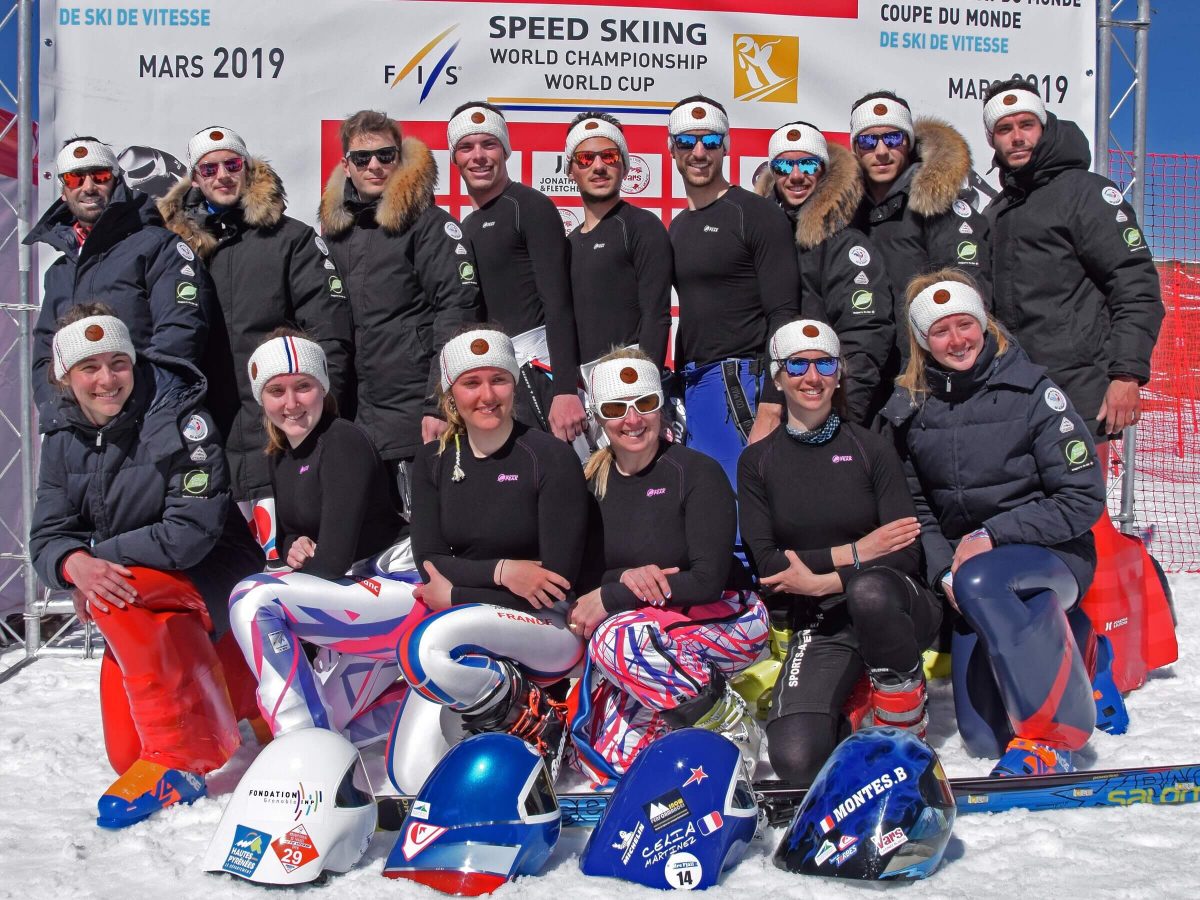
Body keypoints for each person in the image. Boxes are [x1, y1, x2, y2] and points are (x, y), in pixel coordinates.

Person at [29, 307, 262, 828]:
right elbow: (47, 535)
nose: (107, 379)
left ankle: (182, 758)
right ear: (65, 376)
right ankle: (242, 694)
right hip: (142, 573)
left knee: (112, 594)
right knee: (124, 755)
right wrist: (71, 563)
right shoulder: (61, 438)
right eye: (89, 367)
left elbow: (190, 532)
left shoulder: (182, 416)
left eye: (118, 362)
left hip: (215, 570)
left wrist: (95, 563)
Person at [880, 272, 1108, 776]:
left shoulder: (1033, 392)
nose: (957, 340)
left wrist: (992, 535)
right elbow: (917, 510)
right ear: (922, 341)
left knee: (984, 578)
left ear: (984, 323)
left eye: (965, 324)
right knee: (984, 739)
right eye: (940, 331)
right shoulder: (910, 409)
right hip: (968, 575)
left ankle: (1053, 740)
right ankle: (1081, 642)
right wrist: (943, 571)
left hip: (1052, 554)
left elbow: (1082, 496)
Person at [737, 319, 938, 785]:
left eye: (825, 364)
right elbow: (769, 564)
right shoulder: (757, 462)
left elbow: (906, 552)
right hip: (824, 620)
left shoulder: (871, 448)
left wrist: (826, 578)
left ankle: (905, 716)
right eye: (798, 365)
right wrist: (858, 549)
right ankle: (858, 695)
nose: (812, 377)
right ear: (777, 377)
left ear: (839, 373)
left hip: (895, 606)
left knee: (870, 591)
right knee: (796, 759)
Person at [396, 328, 588, 780]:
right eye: (471, 383)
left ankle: (537, 717)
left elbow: (555, 583)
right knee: (412, 773)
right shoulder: (433, 460)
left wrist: (458, 593)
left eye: (499, 380)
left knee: (425, 650)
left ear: (514, 384)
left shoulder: (549, 457)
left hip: (548, 627)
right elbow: (430, 562)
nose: (487, 396)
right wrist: (505, 572)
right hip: (470, 617)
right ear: (450, 393)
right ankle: (504, 715)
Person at [567, 352, 769, 783]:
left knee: (615, 639)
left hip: (729, 615)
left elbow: (708, 580)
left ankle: (728, 725)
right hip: (648, 633)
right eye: (616, 408)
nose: (632, 420)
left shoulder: (696, 472)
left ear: (661, 406)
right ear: (598, 416)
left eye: (645, 403)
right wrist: (625, 578)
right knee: (607, 766)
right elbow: (587, 580)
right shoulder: (591, 485)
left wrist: (619, 592)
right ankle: (681, 723)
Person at [226, 331, 420, 740]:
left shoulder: (343, 440)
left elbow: (331, 561)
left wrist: (305, 559)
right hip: (363, 594)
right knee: (330, 727)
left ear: (323, 388)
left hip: (403, 588)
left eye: (303, 386)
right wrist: (295, 547)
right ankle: (320, 747)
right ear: (261, 397)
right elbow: (290, 538)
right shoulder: (280, 455)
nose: (291, 403)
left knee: (252, 598)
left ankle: (297, 747)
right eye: (276, 391)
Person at [157, 125, 353, 512]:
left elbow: (329, 336)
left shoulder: (291, 239)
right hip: (204, 443)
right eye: (209, 169)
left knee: (287, 545)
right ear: (195, 179)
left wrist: (318, 417)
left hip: (279, 436)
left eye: (232, 165)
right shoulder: (171, 249)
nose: (222, 176)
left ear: (247, 168)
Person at [982, 79, 1164, 441]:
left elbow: (1135, 285)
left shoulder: (1086, 193)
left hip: (1081, 393)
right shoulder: (996, 211)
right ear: (992, 140)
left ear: (1044, 127)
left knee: (1082, 482)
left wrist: (1126, 375)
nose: (1017, 137)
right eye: (1004, 129)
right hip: (1013, 392)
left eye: (1026, 125)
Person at [319, 109, 480, 516]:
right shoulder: (335, 234)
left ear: (400, 158)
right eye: (362, 158)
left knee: (423, 536)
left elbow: (457, 313)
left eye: (385, 155)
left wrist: (438, 404)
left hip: (415, 416)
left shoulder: (430, 226)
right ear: (346, 166)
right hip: (354, 419)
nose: (374, 166)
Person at [666, 95, 802, 487]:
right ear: (671, 148)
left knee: (740, 504)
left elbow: (784, 313)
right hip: (693, 386)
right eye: (687, 141)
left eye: (710, 141)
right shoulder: (678, 227)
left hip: (740, 382)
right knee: (708, 506)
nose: (699, 152)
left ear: (726, 146)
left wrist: (772, 404)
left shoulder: (756, 214)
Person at [27, 137, 216, 413]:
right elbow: (47, 354)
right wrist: (60, 412)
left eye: (100, 176)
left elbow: (180, 333)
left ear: (117, 181)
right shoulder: (59, 272)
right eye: (75, 178)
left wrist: (130, 406)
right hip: (79, 426)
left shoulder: (159, 247)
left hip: (145, 419)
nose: (88, 187)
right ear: (63, 191)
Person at [449, 102, 587, 442]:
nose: (478, 156)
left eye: (489, 144)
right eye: (466, 147)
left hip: (542, 372)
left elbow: (559, 303)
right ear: (455, 158)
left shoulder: (530, 206)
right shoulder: (467, 225)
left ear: (505, 150)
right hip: (499, 377)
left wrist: (565, 389)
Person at [754, 121, 896, 423]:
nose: (796, 176)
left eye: (807, 164)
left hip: (827, 413)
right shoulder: (760, 237)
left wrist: (839, 421)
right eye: (783, 166)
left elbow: (865, 339)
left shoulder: (845, 245)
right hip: (767, 407)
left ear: (824, 170)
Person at [849, 91, 991, 362]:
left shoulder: (939, 205)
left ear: (908, 142)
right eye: (868, 141)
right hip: (864, 368)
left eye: (893, 139)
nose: (881, 151)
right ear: (856, 148)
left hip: (926, 365)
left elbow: (970, 294)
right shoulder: (845, 212)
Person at [564, 112, 672, 369]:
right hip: (582, 384)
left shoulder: (642, 226)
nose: (598, 166)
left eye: (609, 156)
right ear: (570, 171)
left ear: (625, 166)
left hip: (629, 381)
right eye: (586, 158)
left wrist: (644, 380)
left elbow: (656, 317)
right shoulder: (568, 243)